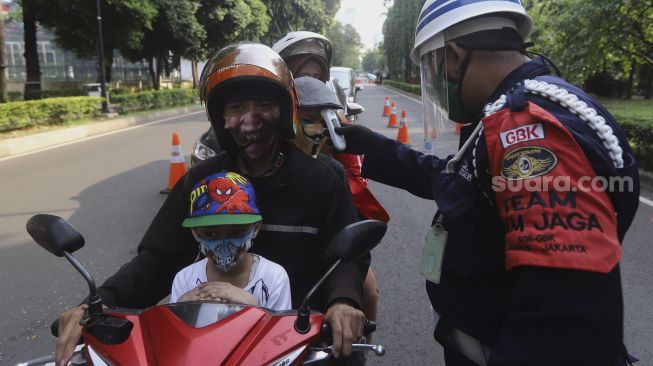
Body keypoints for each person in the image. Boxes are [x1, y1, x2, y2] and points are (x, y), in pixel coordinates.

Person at [335, 1, 640, 365]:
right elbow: (455, 180)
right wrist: (365, 144)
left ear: (454, 55)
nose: (433, 81)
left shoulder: (528, 132)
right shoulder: (514, 112)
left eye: (432, 67)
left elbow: (558, 329)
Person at [55, 42, 369, 366]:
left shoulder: (321, 178)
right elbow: (158, 258)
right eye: (236, 108)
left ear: (284, 110)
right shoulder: (201, 180)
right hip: (214, 341)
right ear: (221, 118)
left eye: (263, 104)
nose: (250, 120)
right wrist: (99, 304)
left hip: (300, 341)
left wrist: (343, 301)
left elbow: (347, 255)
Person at [273, 32, 388, 330]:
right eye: (299, 75)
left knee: (366, 291)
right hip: (272, 237)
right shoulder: (257, 129)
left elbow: (354, 185)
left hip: (329, 227)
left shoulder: (336, 129)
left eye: (315, 75)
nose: (308, 81)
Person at [170, 171, 291, 311]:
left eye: (236, 232)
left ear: (255, 228)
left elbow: (280, 332)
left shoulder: (274, 278)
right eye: (211, 234)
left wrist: (254, 307)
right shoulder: (185, 280)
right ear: (196, 233)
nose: (224, 244)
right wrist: (179, 310)